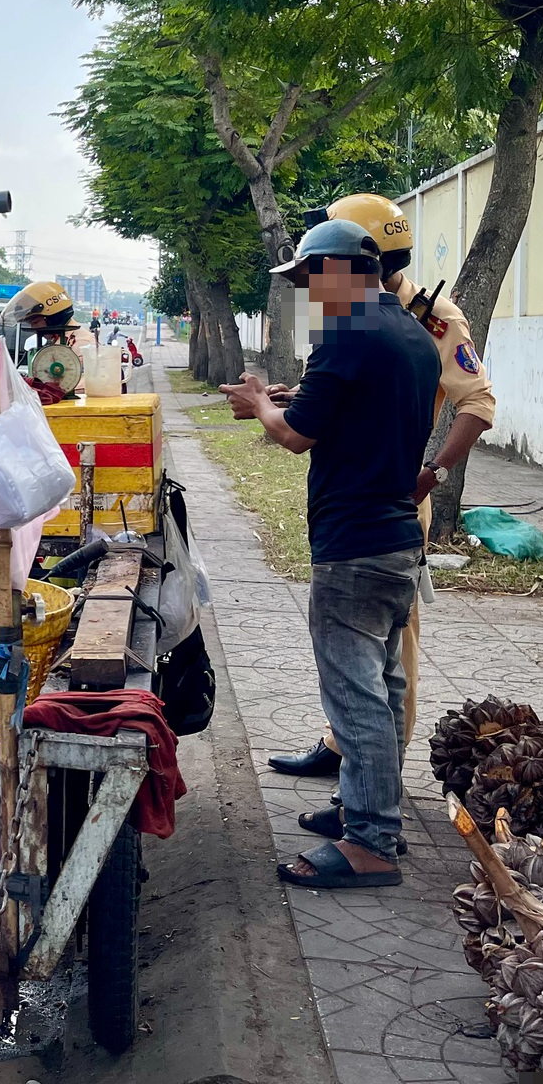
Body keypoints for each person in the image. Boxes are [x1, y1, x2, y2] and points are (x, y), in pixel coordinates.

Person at [220, 220, 439, 889]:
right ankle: (367, 812)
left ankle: (370, 841)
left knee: (356, 696)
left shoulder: (347, 333)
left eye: (310, 278)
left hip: (355, 546)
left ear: (341, 270)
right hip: (398, 538)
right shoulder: (411, 334)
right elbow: (357, 409)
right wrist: (288, 399)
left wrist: (260, 402)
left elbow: (295, 436)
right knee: (384, 687)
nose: (308, 293)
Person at [267, 194, 499, 783]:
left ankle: (376, 777)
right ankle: (343, 746)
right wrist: (298, 401)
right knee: (356, 653)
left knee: (391, 650)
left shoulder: (434, 318)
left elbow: (478, 404)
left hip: (394, 500)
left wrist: (434, 473)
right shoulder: (354, 311)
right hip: (350, 493)